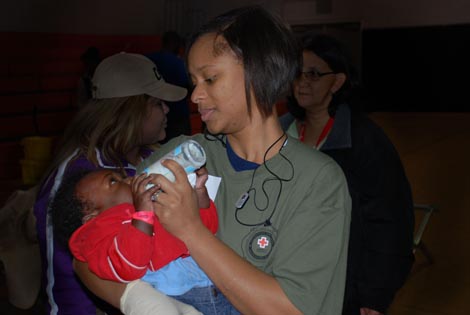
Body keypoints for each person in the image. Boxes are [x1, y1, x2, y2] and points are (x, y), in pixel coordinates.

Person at [74, 6, 352, 315]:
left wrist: (191, 230)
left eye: (210, 78)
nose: (195, 96)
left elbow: (289, 308)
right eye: (194, 81)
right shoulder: (177, 156)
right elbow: (88, 254)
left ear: (258, 73)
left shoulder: (317, 181)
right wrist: (144, 303)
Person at [33, 52, 187, 315]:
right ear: (132, 111)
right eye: (157, 103)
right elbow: (64, 279)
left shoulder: (153, 157)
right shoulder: (79, 180)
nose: (167, 109)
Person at [280, 33, 415, 315]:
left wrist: (374, 294)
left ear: (338, 82)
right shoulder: (278, 133)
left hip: (343, 289)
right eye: (297, 73)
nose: (302, 81)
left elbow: (389, 221)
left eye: (314, 74)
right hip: (284, 281)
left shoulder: (365, 141)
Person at [49, 167, 218, 315]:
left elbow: (202, 231)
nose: (129, 179)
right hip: (182, 296)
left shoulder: (150, 206)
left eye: (122, 177)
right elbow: (129, 266)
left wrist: (199, 196)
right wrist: (143, 215)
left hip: (215, 283)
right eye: (113, 182)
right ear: (92, 216)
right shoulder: (102, 233)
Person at [147, 31, 192, 140]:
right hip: (178, 116)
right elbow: (189, 87)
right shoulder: (179, 63)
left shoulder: (149, 59)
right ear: (176, 44)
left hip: (152, 117)